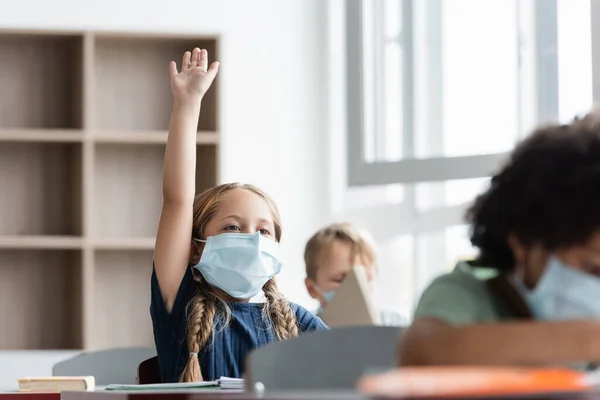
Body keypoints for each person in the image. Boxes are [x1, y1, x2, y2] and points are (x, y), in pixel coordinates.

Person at [151, 48, 327, 383]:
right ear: (197, 247)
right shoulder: (180, 305)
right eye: (233, 227)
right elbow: (177, 200)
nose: (251, 239)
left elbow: (351, 368)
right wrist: (188, 104)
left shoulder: (292, 320)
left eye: (263, 232)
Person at [400, 110, 600, 368]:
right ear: (523, 241)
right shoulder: (464, 295)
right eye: (592, 267)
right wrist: (588, 340)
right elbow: (421, 353)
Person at [304, 222, 407, 326]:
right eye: (339, 280)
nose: (357, 286)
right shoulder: (304, 329)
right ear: (311, 288)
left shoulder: (397, 326)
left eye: (367, 278)